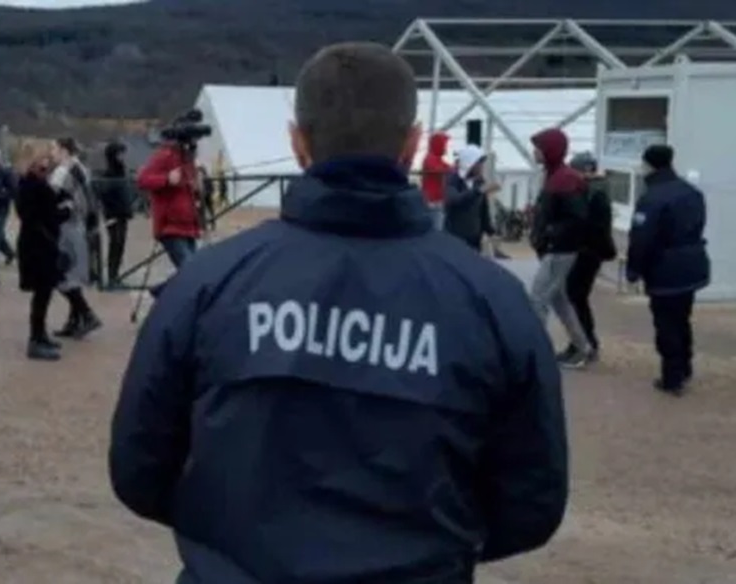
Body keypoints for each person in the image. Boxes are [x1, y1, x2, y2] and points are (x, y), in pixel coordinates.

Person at [110, 42, 567, 584]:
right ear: (412, 144)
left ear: (297, 142)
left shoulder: (207, 283)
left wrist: (231, 539)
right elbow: (531, 501)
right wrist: (434, 546)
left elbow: (140, 468)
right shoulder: (492, 300)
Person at [627, 145, 710, 395]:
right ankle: (684, 366)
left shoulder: (652, 198)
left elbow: (641, 239)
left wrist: (633, 270)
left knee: (666, 324)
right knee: (682, 318)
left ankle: (672, 377)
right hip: (692, 265)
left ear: (648, 165)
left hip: (665, 271)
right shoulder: (692, 192)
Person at [528, 127, 594, 368]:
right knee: (559, 300)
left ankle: (536, 353)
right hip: (557, 248)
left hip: (559, 250)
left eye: (538, 148)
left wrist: (548, 233)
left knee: (538, 299)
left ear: (550, 150)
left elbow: (577, 218)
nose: (534, 152)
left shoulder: (564, 179)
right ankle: (582, 347)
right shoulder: (558, 176)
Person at [562, 152, 616, 361]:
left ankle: (584, 342)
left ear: (585, 169)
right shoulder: (595, 191)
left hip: (587, 252)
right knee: (576, 297)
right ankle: (582, 341)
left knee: (575, 296)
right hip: (588, 251)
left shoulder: (592, 193)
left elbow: (592, 226)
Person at [15, 157, 70, 361]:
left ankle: (40, 336)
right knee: (42, 294)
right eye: (41, 165)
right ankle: (36, 340)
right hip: (39, 246)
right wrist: (67, 209)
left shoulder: (28, 185)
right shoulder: (35, 187)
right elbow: (49, 216)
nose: (46, 169)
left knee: (43, 294)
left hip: (36, 244)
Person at [49, 137, 102, 338]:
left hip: (66, 226)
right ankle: (74, 321)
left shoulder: (62, 172)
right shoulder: (81, 168)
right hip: (79, 225)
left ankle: (86, 315)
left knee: (62, 273)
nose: (51, 153)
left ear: (64, 150)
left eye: (54, 149)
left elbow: (51, 198)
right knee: (72, 273)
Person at [137, 124, 202, 269]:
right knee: (189, 269)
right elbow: (142, 180)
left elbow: (190, 190)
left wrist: (197, 186)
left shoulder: (187, 159)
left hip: (188, 226)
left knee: (194, 269)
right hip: (171, 227)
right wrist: (166, 179)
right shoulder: (165, 155)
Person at [443, 144, 499, 251]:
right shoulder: (453, 180)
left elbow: (483, 210)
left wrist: (490, 231)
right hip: (455, 238)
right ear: (469, 164)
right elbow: (454, 200)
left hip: (474, 239)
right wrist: (478, 191)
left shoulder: (479, 181)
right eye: (479, 163)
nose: (482, 167)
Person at [96, 140, 134, 288]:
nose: (122, 157)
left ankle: (115, 276)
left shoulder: (122, 171)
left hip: (123, 214)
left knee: (120, 245)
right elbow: (104, 195)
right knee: (115, 244)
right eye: (120, 154)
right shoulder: (109, 173)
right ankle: (112, 277)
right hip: (113, 215)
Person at [421, 131, 451, 229]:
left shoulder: (438, 159)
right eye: (444, 144)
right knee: (435, 228)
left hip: (437, 199)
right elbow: (438, 170)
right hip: (431, 200)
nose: (445, 148)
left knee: (438, 226)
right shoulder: (430, 158)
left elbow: (449, 168)